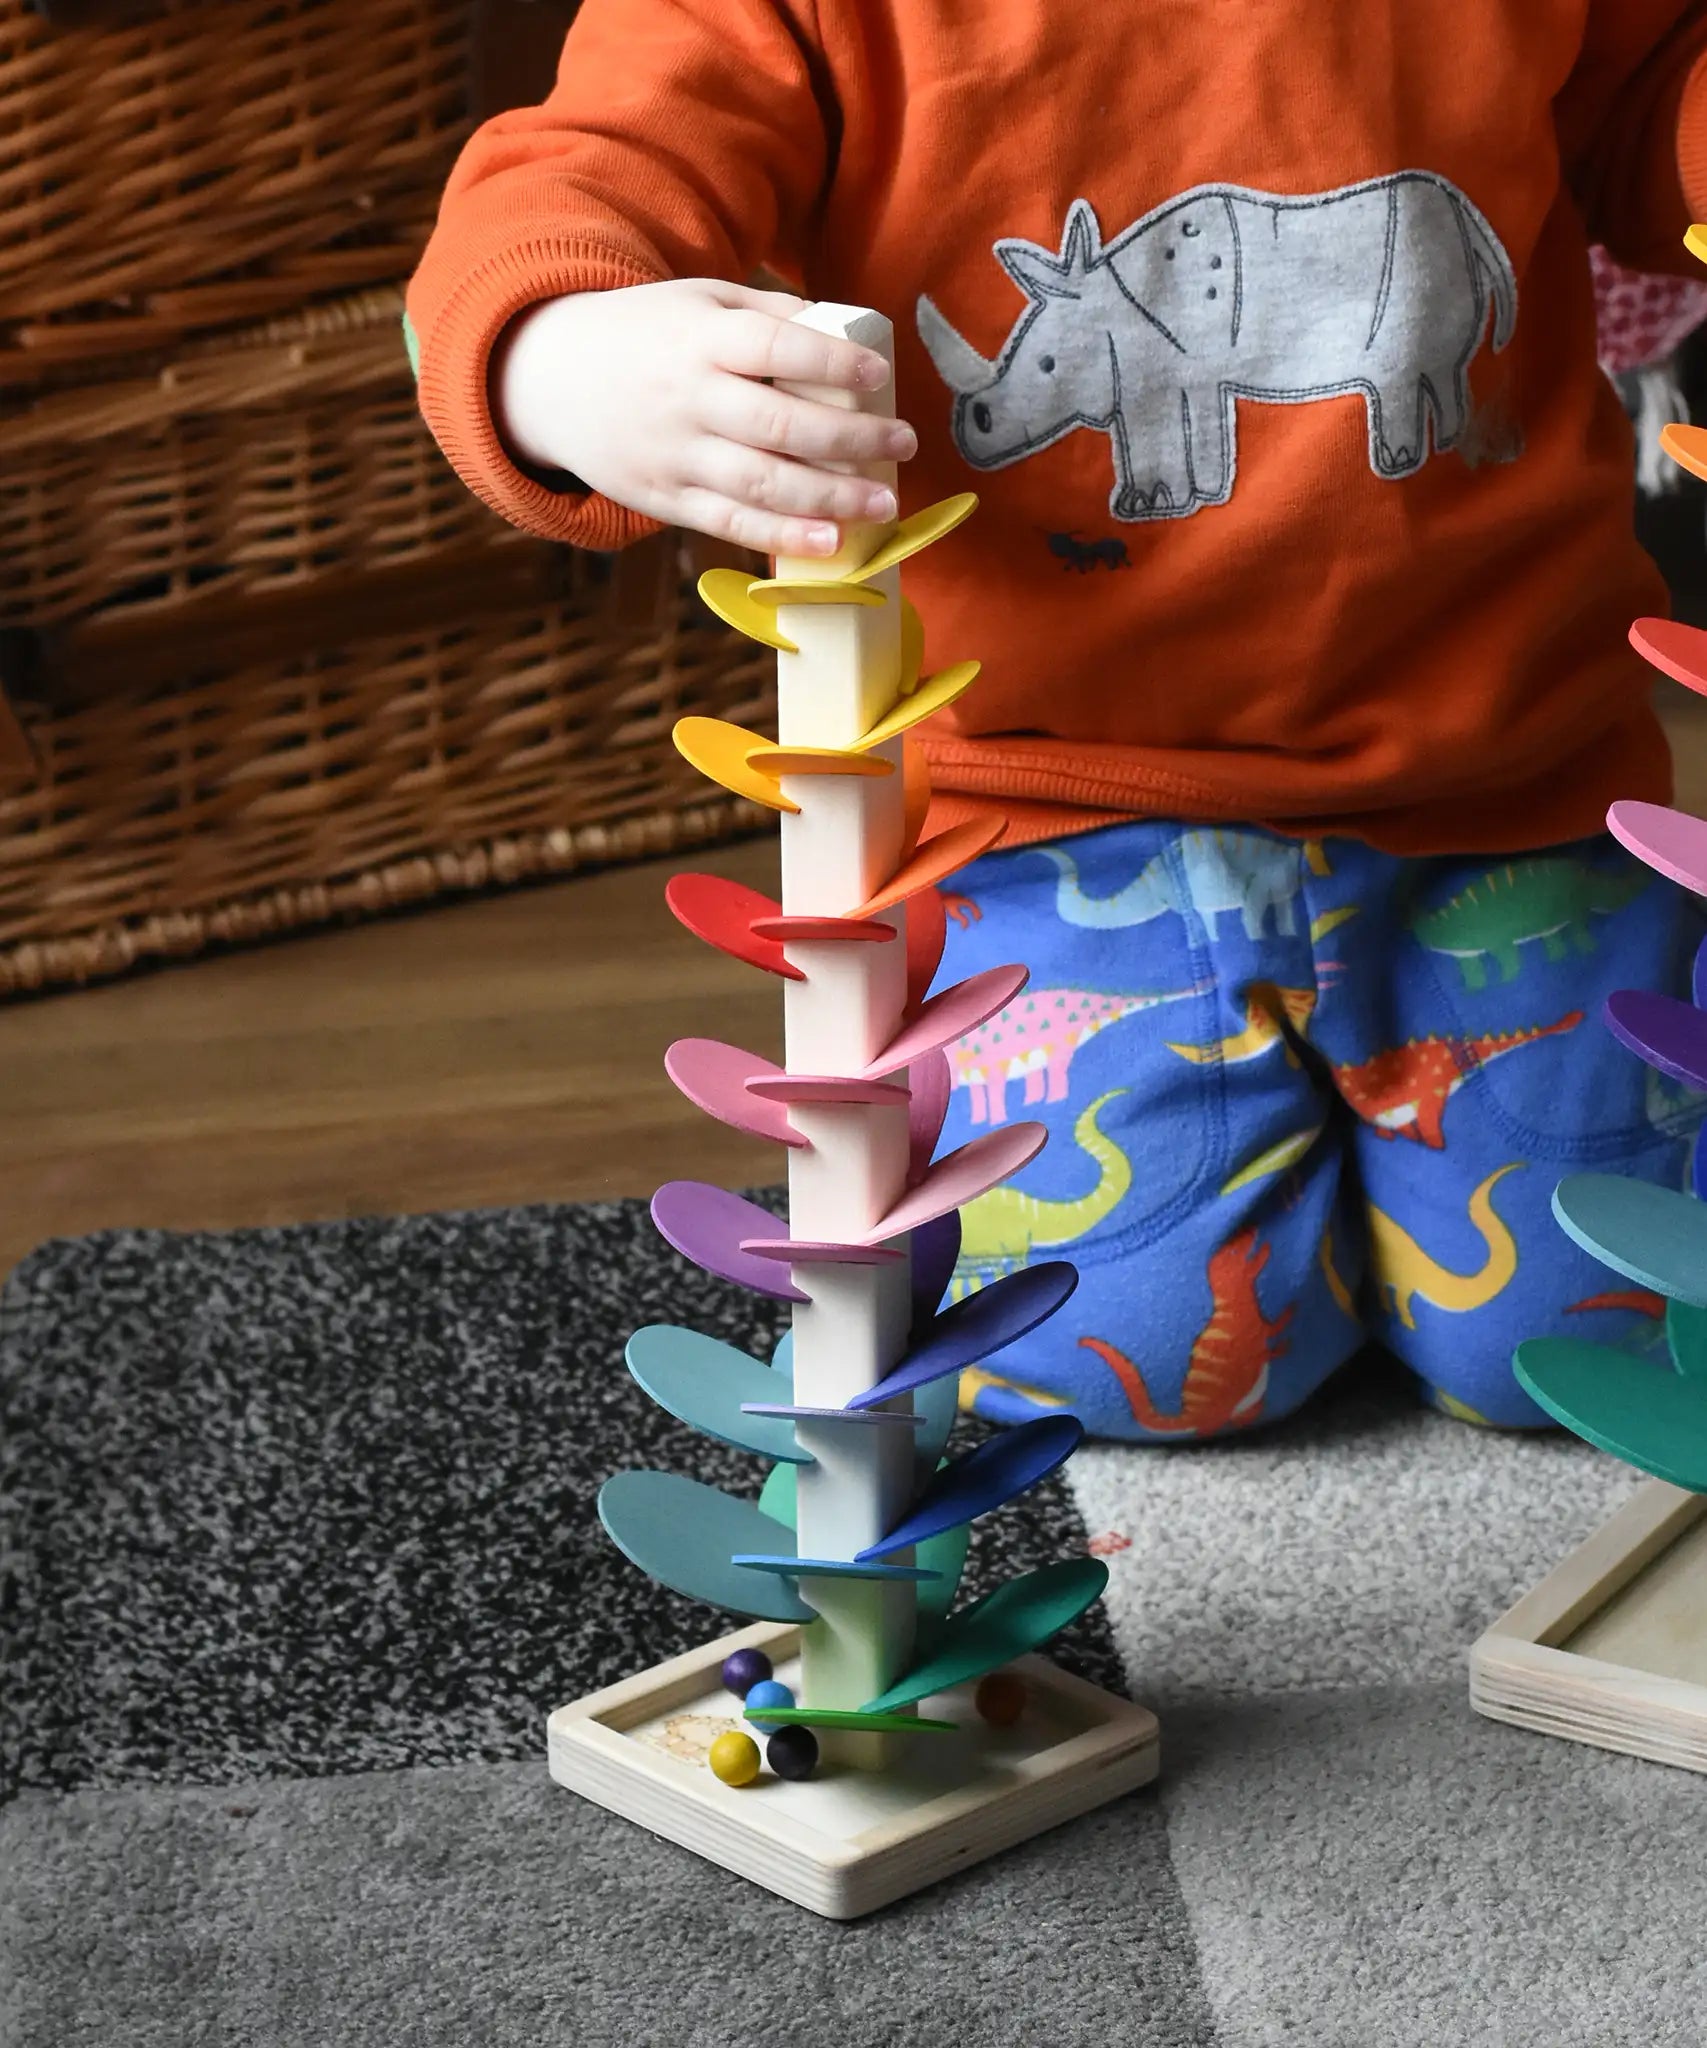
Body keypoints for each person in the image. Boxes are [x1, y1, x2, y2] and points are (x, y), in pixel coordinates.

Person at [408, 0, 1707, 1438]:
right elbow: (590, 161)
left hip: (1508, 768)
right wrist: (564, 346)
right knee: (1113, 1346)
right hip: (1054, 800)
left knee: (1601, 1320)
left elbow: (1662, 92)